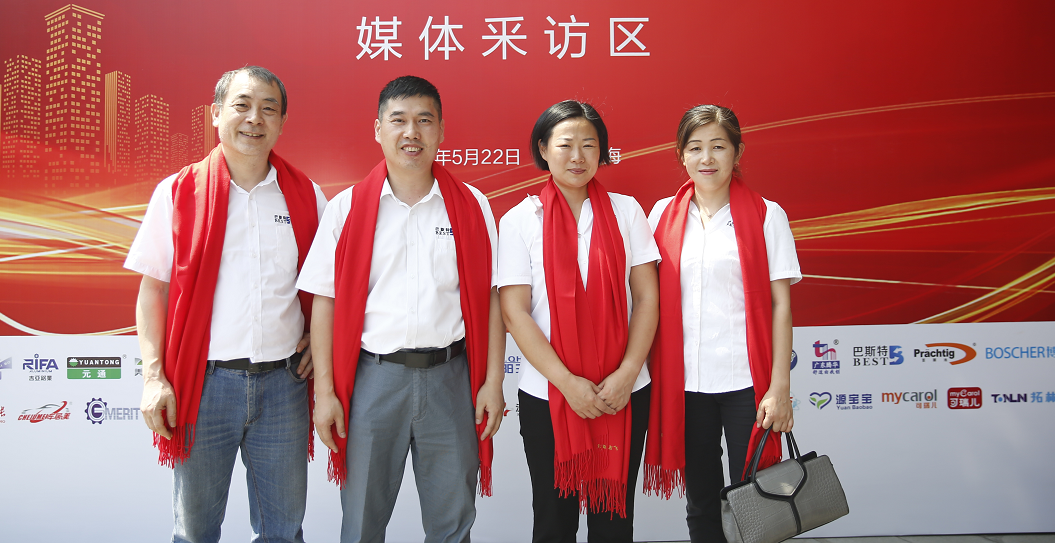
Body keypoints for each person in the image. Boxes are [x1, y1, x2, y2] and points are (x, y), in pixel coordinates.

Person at [297, 75, 505, 543]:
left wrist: (492, 383)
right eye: (399, 120)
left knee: (453, 523)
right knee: (362, 523)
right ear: (378, 129)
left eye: (424, 121)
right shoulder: (347, 208)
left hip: (451, 379)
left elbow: (491, 299)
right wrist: (325, 393)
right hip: (374, 381)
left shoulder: (471, 206)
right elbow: (324, 303)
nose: (412, 132)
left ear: (441, 130)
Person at [126, 66, 326, 543]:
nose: (254, 119)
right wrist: (153, 377)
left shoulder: (306, 196)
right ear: (216, 113)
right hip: (204, 387)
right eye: (242, 105)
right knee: (195, 533)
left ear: (281, 123)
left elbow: (324, 288)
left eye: (268, 109)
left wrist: (318, 341)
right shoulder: (178, 193)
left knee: (283, 532)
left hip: (284, 387)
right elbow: (152, 290)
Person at [498, 100, 660, 543]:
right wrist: (568, 383)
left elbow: (647, 297)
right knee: (554, 520)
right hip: (548, 393)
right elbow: (515, 312)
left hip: (623, 391)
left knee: (614, 522)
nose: (577, 156)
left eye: (589, 145)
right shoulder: (519, 221)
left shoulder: (626, 211)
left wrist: (628, 373)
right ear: (543, 149)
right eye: (565, 144)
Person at [642, 105, 801, 543]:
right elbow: (645, 299)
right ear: (681, 155)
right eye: (695, 148)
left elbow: (781, 306)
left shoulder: (767, 215)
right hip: (686, 384)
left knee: (757, 498)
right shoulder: (661, 216)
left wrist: (779, 386)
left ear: (737, 152)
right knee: (702, 501)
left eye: (718, 146)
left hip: (747, 383)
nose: (706, 158)